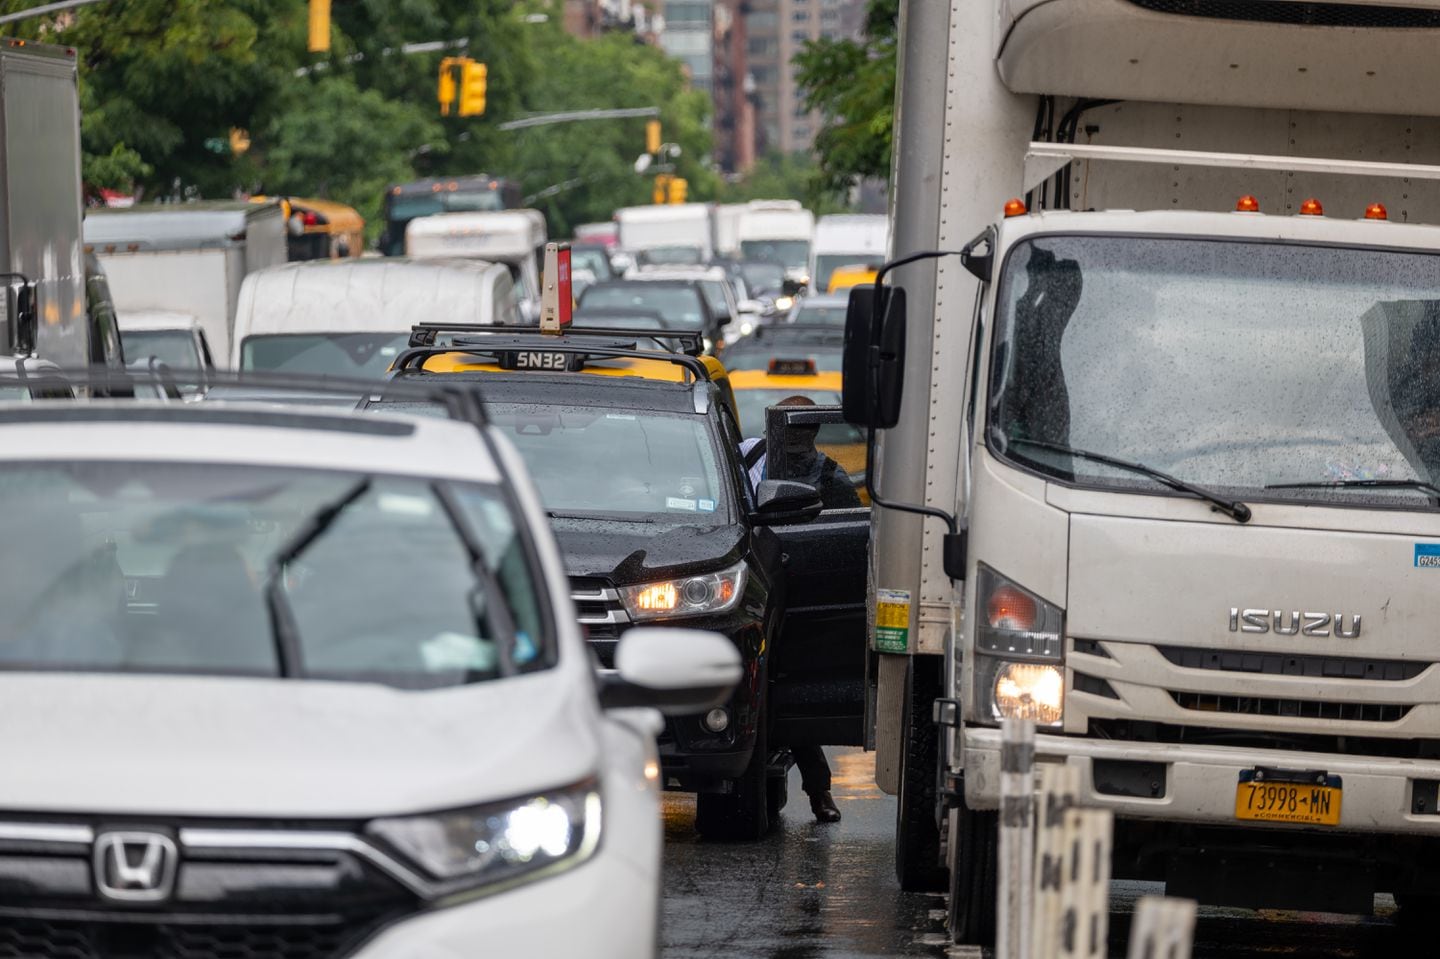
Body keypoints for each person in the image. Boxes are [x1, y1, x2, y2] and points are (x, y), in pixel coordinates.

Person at [739, 395, 861, 824]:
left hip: (802, 594)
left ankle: (819, 792)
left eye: (802, 434)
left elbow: (851, 537)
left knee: (791, 696)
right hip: (746, 586)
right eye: (787, 433)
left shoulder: (829, 476)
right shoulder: (745, 457)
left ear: (814, 434)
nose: (794, 443)